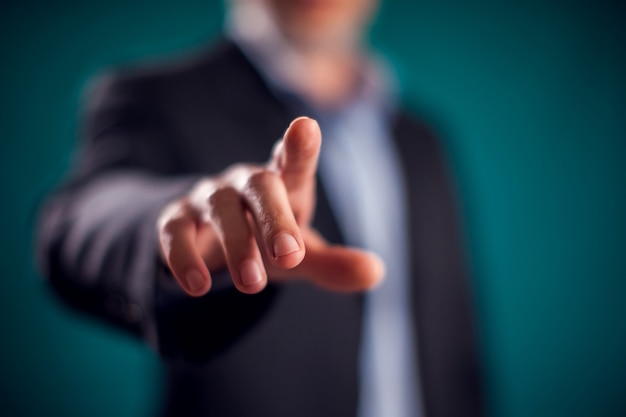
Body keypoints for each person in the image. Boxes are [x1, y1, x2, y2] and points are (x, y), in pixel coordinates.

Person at [36, 0, 483, 416]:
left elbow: (454, 336)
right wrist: (173, 223)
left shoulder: (423, 139)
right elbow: (83, 220)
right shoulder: (152, 96)